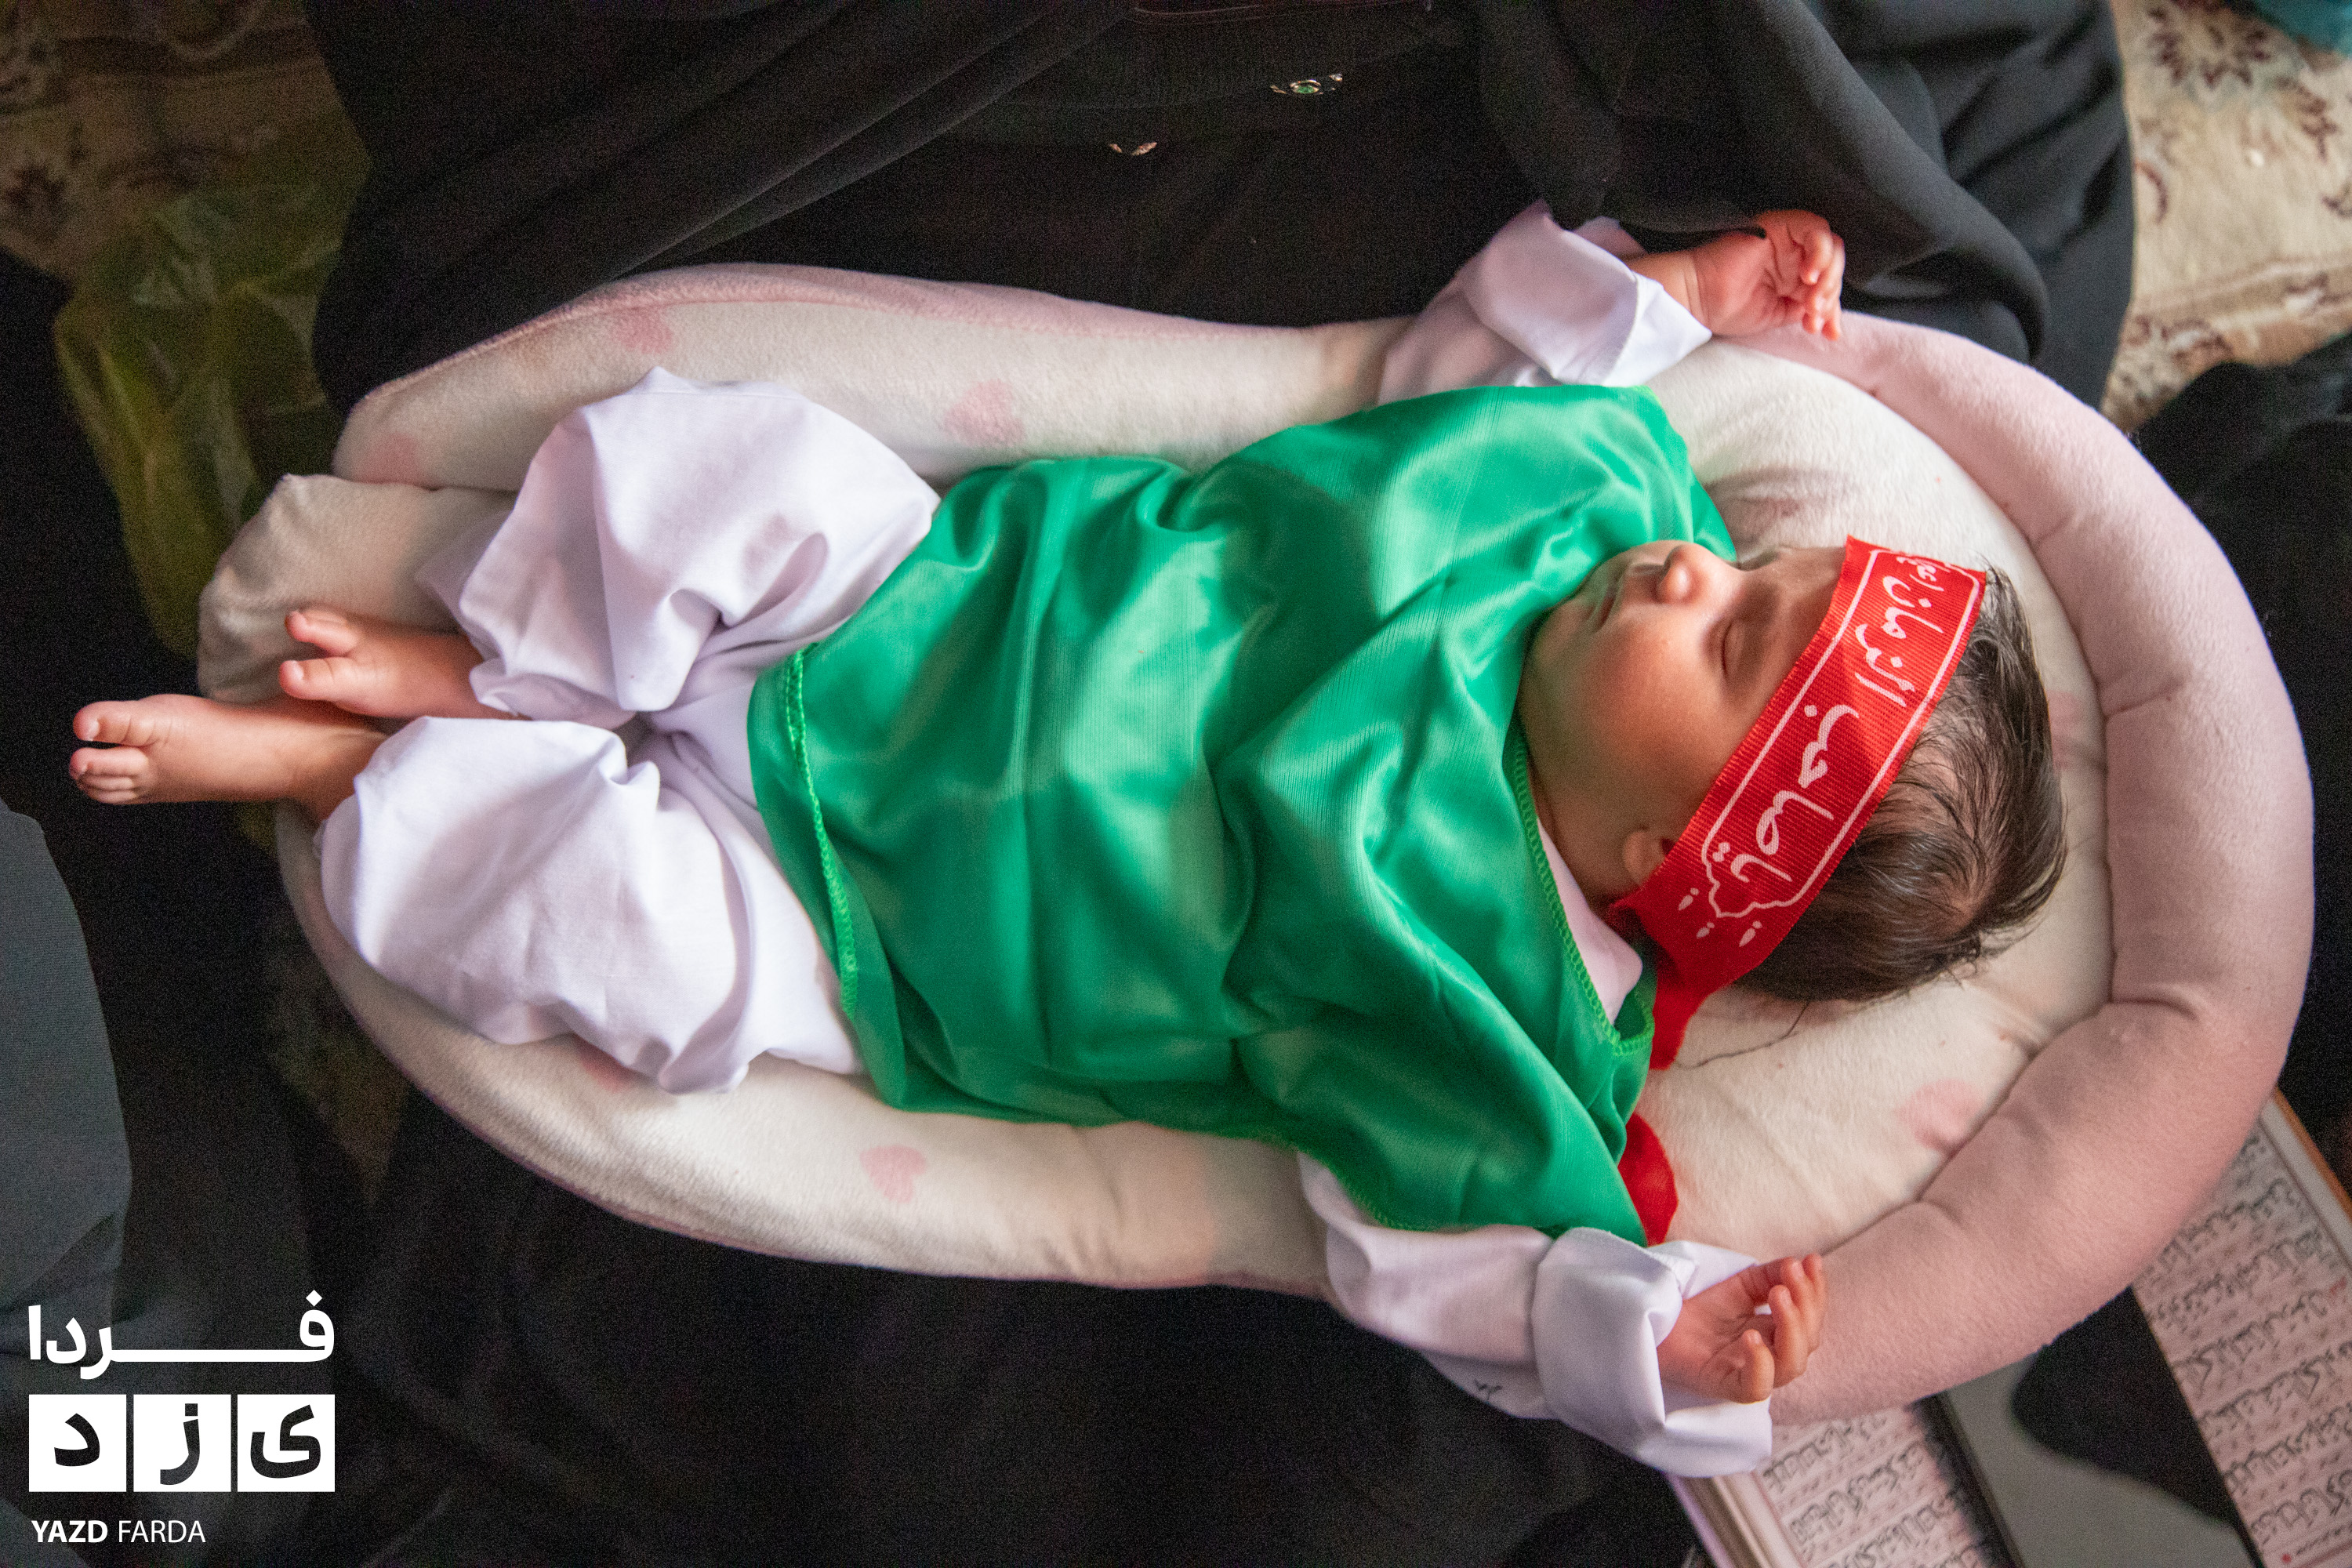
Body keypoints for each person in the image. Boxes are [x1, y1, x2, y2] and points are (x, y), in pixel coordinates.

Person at [67, 208, 2062, 1475]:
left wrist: (1663, 1340)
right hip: (923, 604)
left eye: (1730, 642)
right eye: (1757, 569)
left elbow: (1472, 1280)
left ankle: (349, 777)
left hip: (877, 934)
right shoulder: (1565, 505)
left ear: (1654, 854)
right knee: (725, 466)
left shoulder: (1503, 1026)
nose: (1697, 564)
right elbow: (1477, 367)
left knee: (633, 960)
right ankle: (494, 663)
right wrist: (1682, 297)